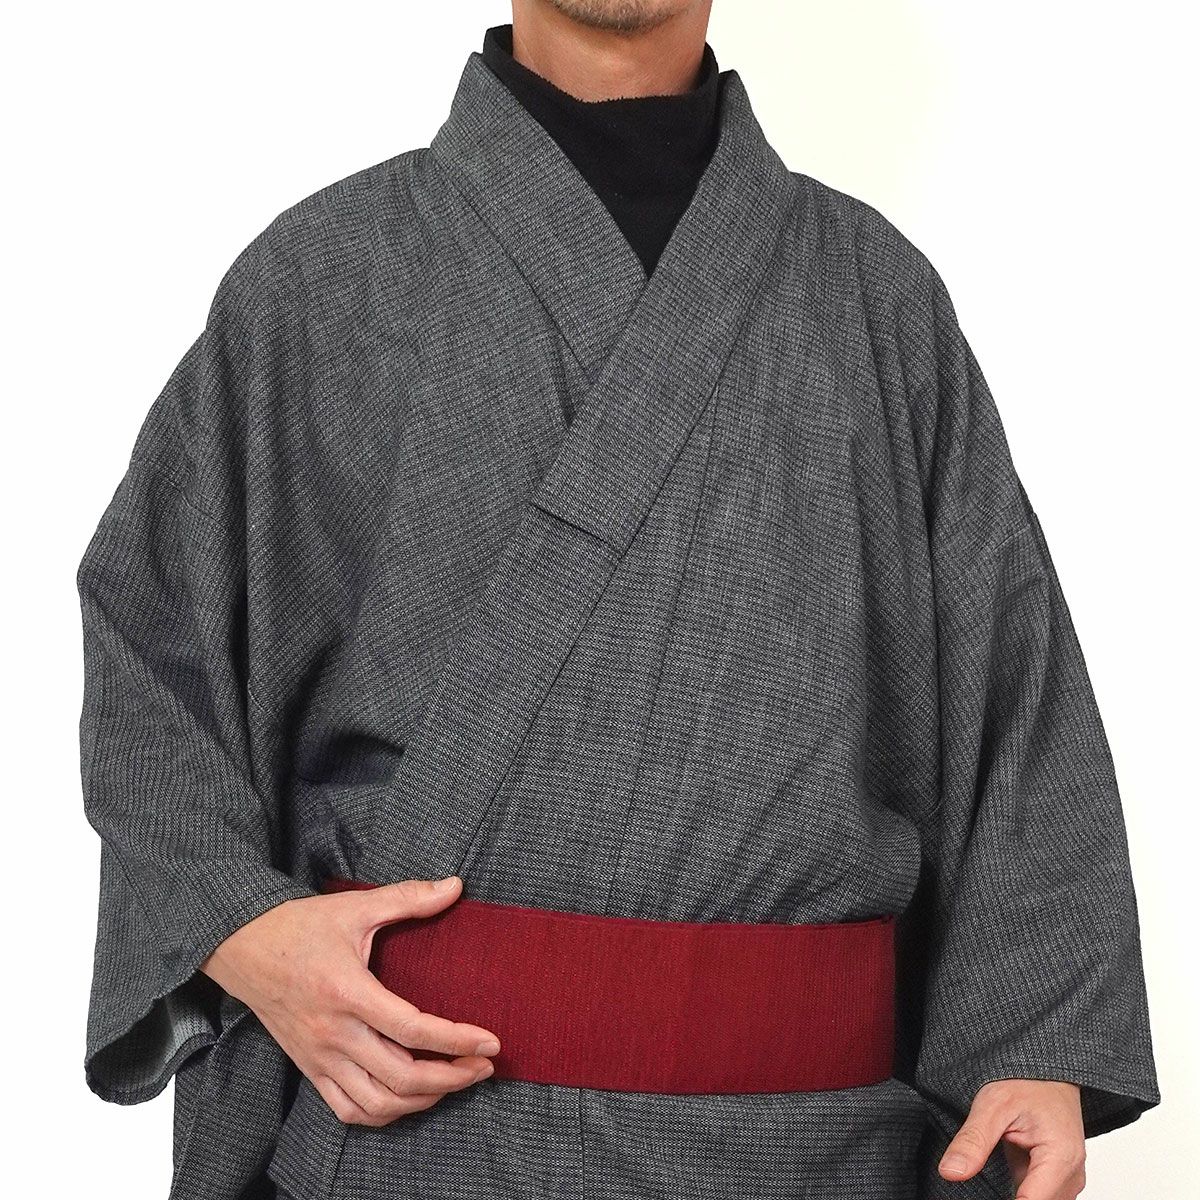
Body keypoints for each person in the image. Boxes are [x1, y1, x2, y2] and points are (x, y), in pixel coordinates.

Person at [75, 2, 1160, 1198]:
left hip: (812, 1155)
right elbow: (154, 651)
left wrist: (1034, 1038)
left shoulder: (877, 299)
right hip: (415, 1144)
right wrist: (241, 930)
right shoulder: (322, 278)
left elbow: (1011, 690)